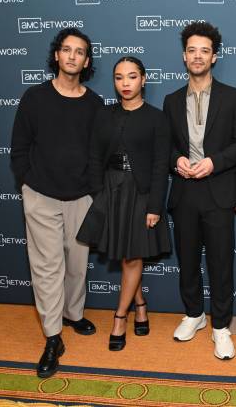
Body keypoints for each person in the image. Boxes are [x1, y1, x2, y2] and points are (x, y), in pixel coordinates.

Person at [10, 28, 102, 378]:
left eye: (79, 52)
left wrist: (93, 191)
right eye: (66, 50)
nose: (72, 56)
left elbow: (98, 153)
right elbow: (19, 147)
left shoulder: (94, 104)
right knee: (47, 267)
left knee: (77, 263)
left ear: (86, 61)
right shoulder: (34, 98)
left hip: (81, 196)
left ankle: (74, 315)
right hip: (41, 195)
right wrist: (26, 183)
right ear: (56, 56)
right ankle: (52, 337)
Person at [164, 21, 236, 360]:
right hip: (184, 191)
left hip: (218, 191)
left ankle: (221, 327)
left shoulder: (233, 97)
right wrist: (176, 160)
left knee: (220, 263)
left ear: (214, 57)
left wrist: (214, 162)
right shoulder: (170, 101)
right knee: (186, 261)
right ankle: (195, 314)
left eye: (205, 51)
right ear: (184, 56)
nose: (198, 56)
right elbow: (165, 146)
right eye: (192, 50)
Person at [77, 56, 171, 351]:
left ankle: (120, 318)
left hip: (140, 192)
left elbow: (160, 166)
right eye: (119, 77)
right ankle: (140, 304)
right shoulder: (104, 115)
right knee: (125, 253)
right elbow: (93, 155)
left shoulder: (157, 118)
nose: (125, 83)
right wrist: (97, 191)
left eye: (132, 77)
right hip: (110, 189)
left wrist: (155, 206)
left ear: (144, 80)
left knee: (132, 257)